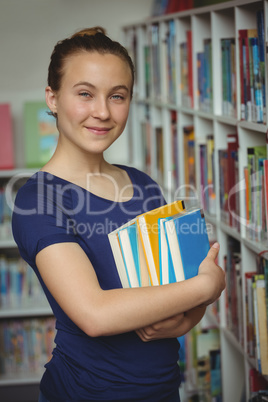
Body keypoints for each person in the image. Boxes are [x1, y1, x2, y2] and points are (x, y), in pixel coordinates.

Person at [12, 27, 225, 402]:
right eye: (84, 94)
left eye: (117, 96)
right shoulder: (37, 201)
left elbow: (180, 291)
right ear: (53, 98)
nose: (103, 112)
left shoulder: (143, 184)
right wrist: (212, 286)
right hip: (87, 392)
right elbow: (96, 315)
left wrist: (189, 315)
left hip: (162, 388)